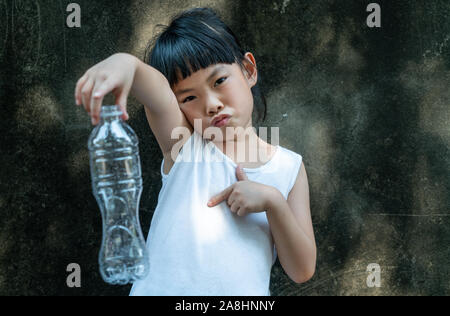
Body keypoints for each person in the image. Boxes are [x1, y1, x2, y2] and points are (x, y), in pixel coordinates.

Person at [75, 7, 316, 296]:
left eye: (219, 81)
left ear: (249, 70)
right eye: (189, 97)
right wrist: (127, 65)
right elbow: (155, 91)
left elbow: (302, 270)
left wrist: (273, 202)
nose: (211, 104)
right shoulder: (184, 145)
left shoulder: (289, 168)